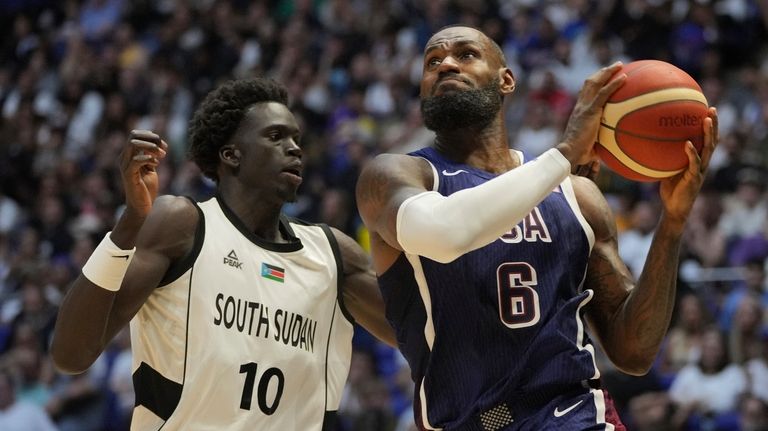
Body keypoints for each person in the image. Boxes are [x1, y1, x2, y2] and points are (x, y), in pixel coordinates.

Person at [355, 25, 718, 430]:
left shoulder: (575, 196)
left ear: (506, 80)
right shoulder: (395, 176)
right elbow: (444, 234)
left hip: (573, 415)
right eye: (432, 62)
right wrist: (563, 155)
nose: (446, 65)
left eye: (466, 54)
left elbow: (634, 352)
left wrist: (672, 223)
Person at [50, 77, 396, 430]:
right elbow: (70, 354)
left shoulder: (333, 255)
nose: (294, 148)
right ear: (231, 154)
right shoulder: (181, 226)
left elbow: (426, 330)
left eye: (296, 139)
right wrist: (131, 223)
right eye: (276, 137)